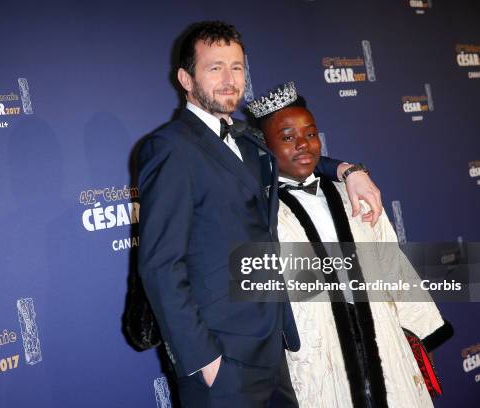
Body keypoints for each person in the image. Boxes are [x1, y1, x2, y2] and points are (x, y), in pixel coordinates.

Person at [137, 21, 382, 407]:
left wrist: (346, 170)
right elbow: (160, 265)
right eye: (214, 67)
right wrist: (206, 360)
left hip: (273, 347)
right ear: (186, 78)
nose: (230, 79)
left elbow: (294, 156)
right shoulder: (170, 148)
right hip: (221, 360)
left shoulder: (246, 138)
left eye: (236, 67)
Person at [248, 82, 451, 407]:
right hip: (319, 354)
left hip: (384, 343)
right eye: (287, 138)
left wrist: (421, 325)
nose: (303, 145)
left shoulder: (354, 194)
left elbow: (391, 261)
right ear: (265, 145)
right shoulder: (260, 215)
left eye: (310, 134)